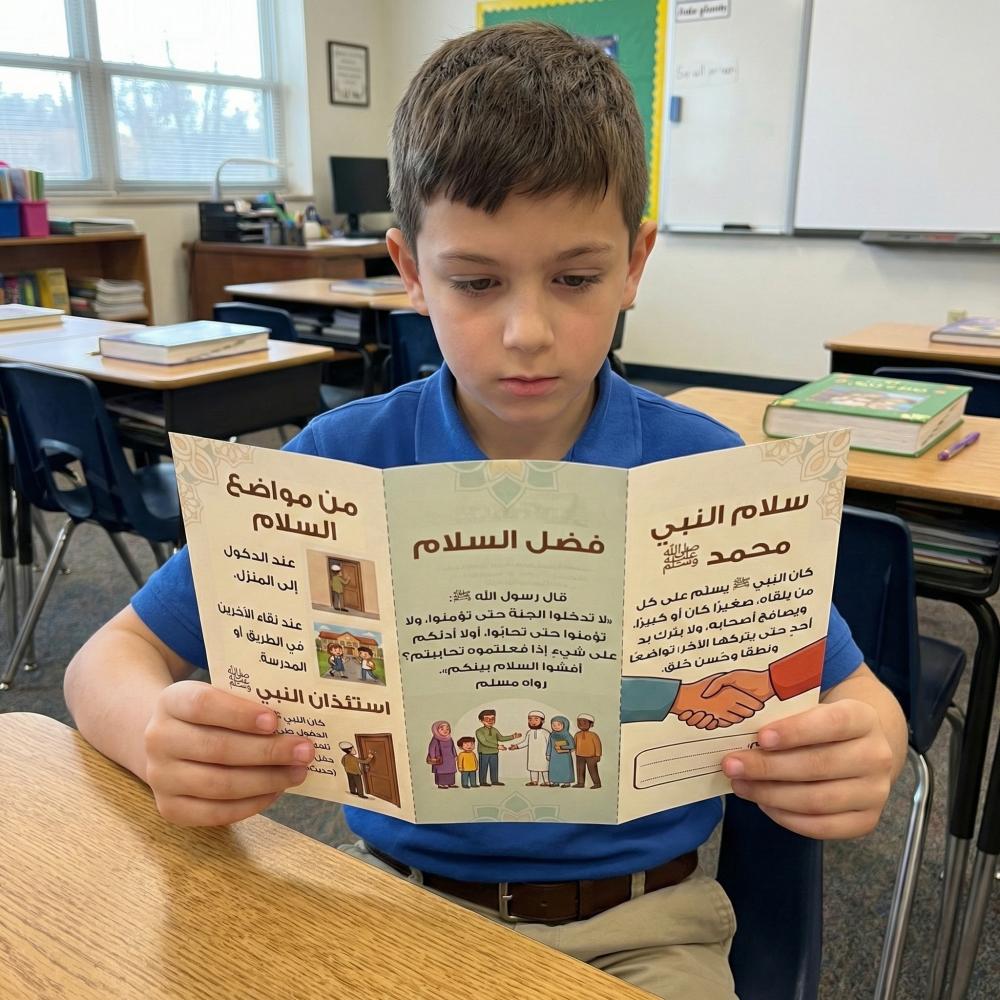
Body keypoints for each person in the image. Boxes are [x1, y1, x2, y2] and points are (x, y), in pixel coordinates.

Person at [63, 22, 907, 1000]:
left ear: (635, 263)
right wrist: (158, 731)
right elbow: (104, 661)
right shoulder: (339, 462)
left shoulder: (708, 474)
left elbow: (858, 696)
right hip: (392, 905)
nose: (526, 331)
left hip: (647, 929)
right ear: (409, 269)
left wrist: (865, 744)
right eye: (475, 282)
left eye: (576, 279)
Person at [474, 709, 521, 787]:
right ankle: (482, 782)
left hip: (494, 752)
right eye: (487, 719)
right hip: (484, 753)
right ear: (481, 720)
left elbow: (501, 738)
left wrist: (513, 736)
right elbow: (484, 742)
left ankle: (495, 781)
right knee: (483, 768)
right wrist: (497, 746)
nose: (490, 721)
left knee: (494, 767)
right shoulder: (479, 731)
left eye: (492, 719)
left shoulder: (494, 730)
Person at [506, 710, 551, 786]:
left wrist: (549, 754)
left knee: (545, 768)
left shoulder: (546, 733)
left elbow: (550, 744)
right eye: (530, 719)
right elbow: (525, 742)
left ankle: (547, 782)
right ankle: (534, 781)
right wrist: (516, 746)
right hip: (532, 754)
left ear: (542, 721)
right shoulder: (529, 732)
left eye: (536, 719)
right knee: (533, 768)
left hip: (544, 755)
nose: (533, 721)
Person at [572, 714, 601, 789]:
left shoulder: (593, 735)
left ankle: (597, 783)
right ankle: (580, 783)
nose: (581, 724)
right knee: (580, 770)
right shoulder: (577, 735)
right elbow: (573, 744)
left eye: (584, 722)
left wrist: (598, 755)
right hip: (579, 755)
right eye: (579, 722)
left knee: (593, 770)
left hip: (591, 756)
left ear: (591, 724)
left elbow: (598, 745)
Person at [427, 720, 458, 789]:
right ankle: (441, 784)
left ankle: (450, 783)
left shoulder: (449, 738)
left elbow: (453, 747)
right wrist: (433, 757)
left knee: (451, 771)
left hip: (450, 758)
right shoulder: (435, 739)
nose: (445, 731)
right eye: (442, 729)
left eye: (447, 729)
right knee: (441, 771)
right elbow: (431, 748)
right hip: (440, 758)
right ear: (436, 730)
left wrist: (455, 755)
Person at [547, 716, 575, 788]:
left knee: (565, 769)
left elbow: (572, 746)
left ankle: (566, 782)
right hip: (554, 756)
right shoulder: (552, 735)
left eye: (558, 725)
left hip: (564, 756)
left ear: (564, 725)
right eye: (554, 725)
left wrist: (562, 747)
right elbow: (549, 745)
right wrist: (548, 754)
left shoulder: (567, 735)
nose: (556, 727)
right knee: (554, 768)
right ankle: (555, 781)